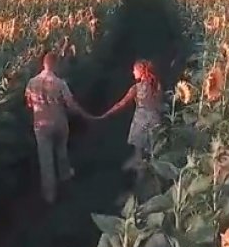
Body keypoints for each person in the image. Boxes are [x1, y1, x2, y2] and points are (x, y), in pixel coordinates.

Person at [25, 51, 95, 204]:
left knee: (46, 160)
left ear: (44, 64)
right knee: (61, 151)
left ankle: (49, 195)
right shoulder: (60, 83)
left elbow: (29, 104)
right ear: (55, 64)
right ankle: (65, 178)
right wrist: (83, 114)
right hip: (58, 122)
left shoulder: (32, 83)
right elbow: (70, 104)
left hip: (41, 125)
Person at [97, 59, 163, 171]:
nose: (133, 72)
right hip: (155, 119)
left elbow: (121, 103)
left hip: (140, 121)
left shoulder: (136, 88)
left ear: (140, 71)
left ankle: (140, 178)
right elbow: (159, 101)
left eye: (134, 70)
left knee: (139, 153)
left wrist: (106, 114)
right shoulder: (156, 85)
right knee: (155, 150)